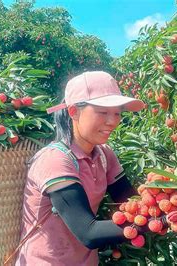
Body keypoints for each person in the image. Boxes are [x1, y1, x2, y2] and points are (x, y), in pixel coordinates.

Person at [15, 71, 148, 265]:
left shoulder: (104, 155)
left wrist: (168, 202)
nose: (112, 121)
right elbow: (89, 232)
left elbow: (129, 201)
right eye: (103, 112)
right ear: (74, 112)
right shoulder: (54, 160)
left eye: (117, 113)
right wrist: (160, 222)